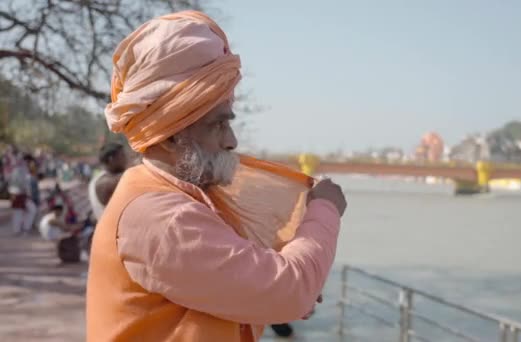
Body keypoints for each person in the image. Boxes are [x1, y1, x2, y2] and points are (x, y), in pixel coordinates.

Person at [87, 11, 347, 342]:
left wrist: (272, 299)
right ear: (169, 136)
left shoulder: (172, 194)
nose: (232, 141)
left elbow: (239, 295)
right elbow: (289, 291)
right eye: (219, 124)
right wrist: (324, 209)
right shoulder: (162, 217)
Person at [88, 143, 127, 220]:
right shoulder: (106, 182)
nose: (126, 159)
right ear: (111, 159)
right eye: (122, 156)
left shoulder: (101, 178)